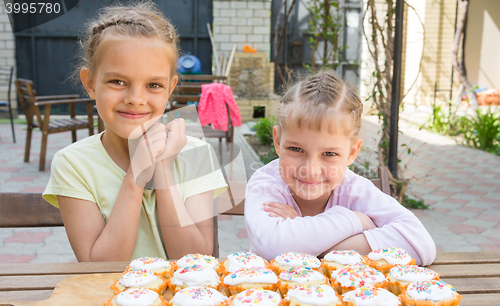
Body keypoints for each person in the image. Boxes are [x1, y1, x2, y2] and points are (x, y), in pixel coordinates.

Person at [43, 2, 226, 262]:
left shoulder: (198, 154)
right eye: (117, 81)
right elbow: (100, 267)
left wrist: (162, 169)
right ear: (90, 83)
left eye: (153, 84)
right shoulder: (73, 164)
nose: (135, 98)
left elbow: (194, 260)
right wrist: (136, 175)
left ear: (170, 88)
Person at [244, 70, 436, 266]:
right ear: (277, 141)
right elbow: (272, 247)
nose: (311, 170)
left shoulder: (355, 188)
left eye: (329, 154)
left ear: (352, 152)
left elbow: (421, 245)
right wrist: (356, 221)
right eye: (295, 149)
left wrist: (309, 241)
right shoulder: (265, 184)